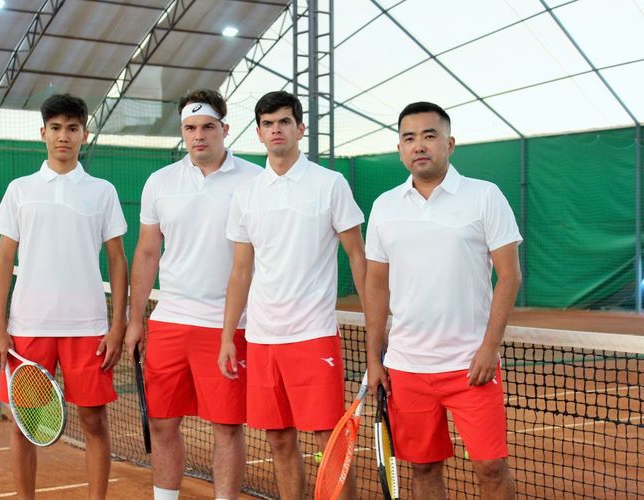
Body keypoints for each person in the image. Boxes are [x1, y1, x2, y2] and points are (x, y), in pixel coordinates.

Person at [365, 101, 522, 499]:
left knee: (491, 468)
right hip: (406, 367)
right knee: (423, 468)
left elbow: (510, 275)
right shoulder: (384, 206)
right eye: (409, 138)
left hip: (471, 366)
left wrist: (489, 348)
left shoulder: (484, 196)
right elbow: (376, 286)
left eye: (429, 136)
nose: (419, 145)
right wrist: (374, 360)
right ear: (400, 149)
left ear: (449, 144)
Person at [218, 90, 367, 499]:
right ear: (259, 134)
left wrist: (376, 324)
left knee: (328, 441)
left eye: (284, 121)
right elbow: (241, 271)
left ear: (300, 129)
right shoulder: (246, 194)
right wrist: (228, 336)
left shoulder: (330, 184)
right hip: (262, 339)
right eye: (267, 124)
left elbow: (358, 257)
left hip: (313, 335)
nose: (276, 130)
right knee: (279, 440)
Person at [124, 89, 262, 500]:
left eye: (207, 127)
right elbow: (147, 253)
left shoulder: (256, 180)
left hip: (229, 326)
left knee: (227, 428)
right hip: (170, 322)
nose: (198, 136)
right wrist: (135, 320)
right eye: (189, 128)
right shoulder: (160, 182)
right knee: (162, 423)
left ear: (225, 128)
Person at [0, 93, 128, 499]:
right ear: (43, 133)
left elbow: (118, 261)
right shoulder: (20, 189)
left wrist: (117, 326)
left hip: (88, 328)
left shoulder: (102, 191)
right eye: (55, 128)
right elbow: (3, 261)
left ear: (85, 134)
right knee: (25, 426)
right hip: (29, 327)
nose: (63, 136)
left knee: (94, 421)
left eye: (71, 128)